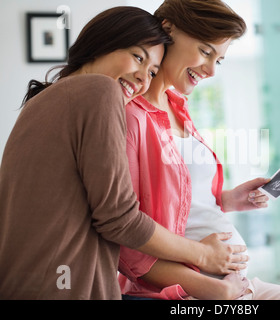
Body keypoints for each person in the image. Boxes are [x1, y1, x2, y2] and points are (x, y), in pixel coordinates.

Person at [0, 6, 248, 300]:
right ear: (102, 43)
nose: (143, 79)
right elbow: (119, 218)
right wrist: (204, 256)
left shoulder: (45, 100)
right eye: (138, 57)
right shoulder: (99, 90)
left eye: (152, 71)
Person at [118, 0, 280, 300]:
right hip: (188, 291)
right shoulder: (131, 117)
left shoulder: (179, 108)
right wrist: (209, 285)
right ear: (167, 30)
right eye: (205, 51)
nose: (211, 70)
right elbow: (125, 240)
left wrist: (227, 199)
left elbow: (181, 204)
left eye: (219, 60)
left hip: (237, 285)